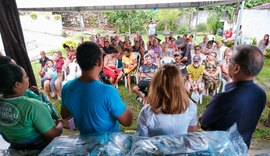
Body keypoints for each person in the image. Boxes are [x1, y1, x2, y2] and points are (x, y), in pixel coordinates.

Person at [200, 45, 266, 148]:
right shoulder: (261, 94)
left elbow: (204, 122)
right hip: (242, 147)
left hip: (221, 149)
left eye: (230, 61)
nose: (228, 64)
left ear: (236, 68)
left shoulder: (224, 98)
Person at [61, 42, 133, 134]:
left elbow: (65, 115)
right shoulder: (108, 91)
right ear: (99, 62)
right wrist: (122, 104)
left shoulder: (67, 88)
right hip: (109, 145)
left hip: (86, 144)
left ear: (78, 62)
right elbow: (127, 121)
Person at [0, 64, 63, 150]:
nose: (28, 79)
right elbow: (53, 135)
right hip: (39, 150)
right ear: (18, 84)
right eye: (26, 77)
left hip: (15, 148)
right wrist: (60, 123)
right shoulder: (33, 106)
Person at [136, 64, 197, 137]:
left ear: (155, 85)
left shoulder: (147, 112)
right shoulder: (190, 106)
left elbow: (142, 141)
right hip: (182, 147)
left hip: (156, 148)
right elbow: (191, 137)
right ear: (179, 84)